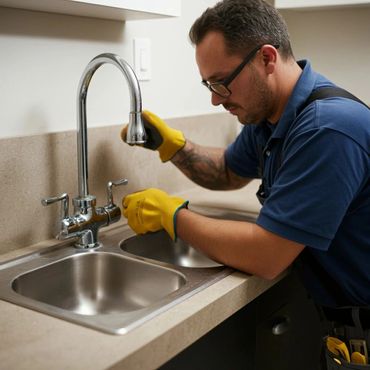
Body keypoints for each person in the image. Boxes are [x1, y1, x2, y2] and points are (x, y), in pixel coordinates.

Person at [122, 0, 370, 367]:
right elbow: (227, 171)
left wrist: (173, 216)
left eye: (221, 82)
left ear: (267, 58)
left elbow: (267, 256)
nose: (214, 98)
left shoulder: (325, 129)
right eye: (208, 84)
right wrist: (172, 146)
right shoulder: (274, 116)